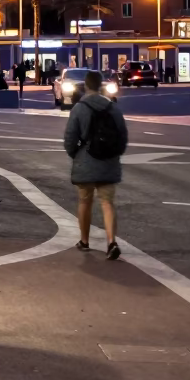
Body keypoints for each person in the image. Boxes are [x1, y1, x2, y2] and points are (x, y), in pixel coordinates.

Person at [63, 71, 128, 260]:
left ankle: (84, 240)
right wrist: (115, 153)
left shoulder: (79, 108)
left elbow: (69, 138)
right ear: (100, 85)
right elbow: (123, 136)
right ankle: (111, 241)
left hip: (86, 160)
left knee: (85, 201)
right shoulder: (113, 108)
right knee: (107, 202)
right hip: (108, 160)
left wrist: (76, 154)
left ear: (85, 85)